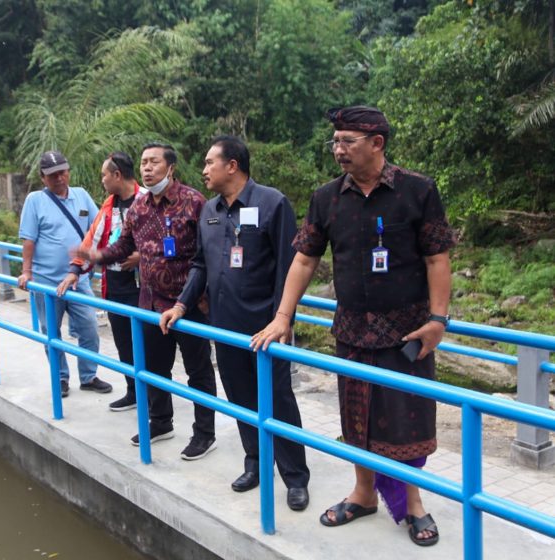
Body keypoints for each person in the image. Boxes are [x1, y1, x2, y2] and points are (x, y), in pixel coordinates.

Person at [251, 106, 454, 547]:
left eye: (347, 141)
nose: (338, 150)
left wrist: (438, 320)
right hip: (352, 333)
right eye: (335, 142)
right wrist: (283, 315)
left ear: (377, 143)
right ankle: (364, 494)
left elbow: (438, 257)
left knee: (409, 422)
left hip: (409, 334)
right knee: (357, 419)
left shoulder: (417, 190)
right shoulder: (326, 198)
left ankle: (412, 504)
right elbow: (305, 258)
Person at [159, 136, 310, 509]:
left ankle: (295, 475)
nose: (204, 169)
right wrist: (181, 305)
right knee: (241, 398)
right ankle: (255, 463)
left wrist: (283, 319)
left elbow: (290, 267)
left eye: (211, 162)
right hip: (223, 327)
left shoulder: (272, 203)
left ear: (233, 166)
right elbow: (199, 264)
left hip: (265, 328)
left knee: (277, 399)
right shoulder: (209, 211)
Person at [80, 143, 218, 460]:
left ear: (170, 168)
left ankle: (204, 434)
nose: (147, 168)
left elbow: (208, 255)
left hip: (190, 305)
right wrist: (96, 255)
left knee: (198, 372)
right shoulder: (140, 207)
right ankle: (160, 422)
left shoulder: (194, 202)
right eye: (143, 162)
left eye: (154, 162)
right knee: (155, 369)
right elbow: (123, 245)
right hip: (151, 303)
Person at [17, 150, 113, 398]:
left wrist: (107, 253)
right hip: (46, 280)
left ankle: (88, 376)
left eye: (62, 172)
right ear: (43, 178)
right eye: (52, 175)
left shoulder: (81, 196)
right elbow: (28, 239)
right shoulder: (35, 200)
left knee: (89, 327)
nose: (59, 178)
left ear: (68, 171)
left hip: (78, 279)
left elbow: (99, 226)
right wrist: (26, 272)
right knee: (51, 331)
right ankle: (60, 377)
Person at [58, 152, 145, 412]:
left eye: (104, 175)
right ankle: (133, 392)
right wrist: (75, 269)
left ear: (117, 175)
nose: (103, 180)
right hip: (116, 286)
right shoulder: (109, 205)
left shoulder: (146, 202)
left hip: (144, 288)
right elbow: (92, 239)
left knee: (148, 345)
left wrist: (142, 257)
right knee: (123, 343)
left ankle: (154, 398)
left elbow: (166, 242)